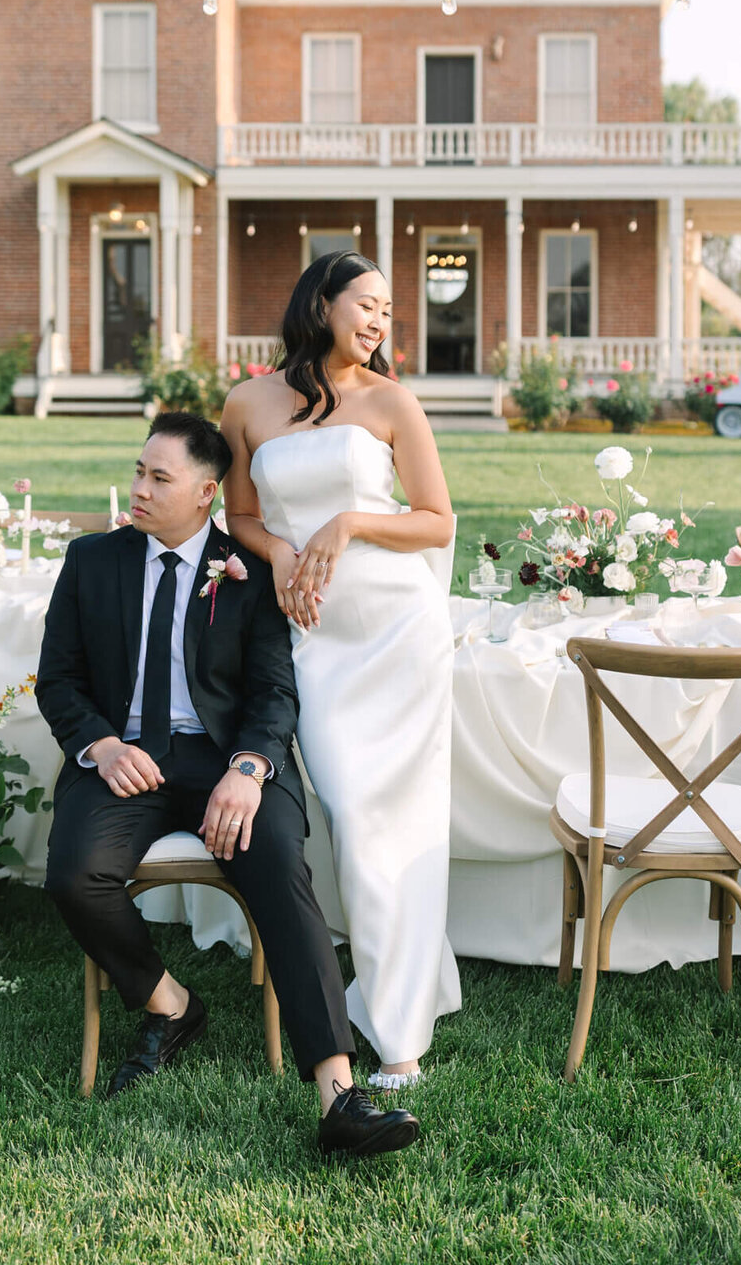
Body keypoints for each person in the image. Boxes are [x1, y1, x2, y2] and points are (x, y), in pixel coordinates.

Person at [37, 410, 420, 1157]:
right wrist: (102, 745)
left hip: (228, 760)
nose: (139, 488)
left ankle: (340, 1092)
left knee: (280, 862)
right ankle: (171, 1004)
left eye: (159, 477)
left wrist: (249, 770)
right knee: (74, 875)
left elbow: (275, 693)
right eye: (139, 471)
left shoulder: (246, 573)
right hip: (126, 759)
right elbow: (58, 680)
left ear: (207, 492)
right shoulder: (92, 561)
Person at [220, 251, 462, 1089]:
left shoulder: (392, 400)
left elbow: (436, 522)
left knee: (394, 821)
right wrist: (284, 551)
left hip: (399, 632)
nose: (379, 322)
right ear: (320, 302)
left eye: (389, 312)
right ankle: (403, 984)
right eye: (366, 304)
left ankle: (400, 1038)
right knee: (353, 815)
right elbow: (240, 517)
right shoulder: (248, 402)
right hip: (314, 639)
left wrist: (351, 523)